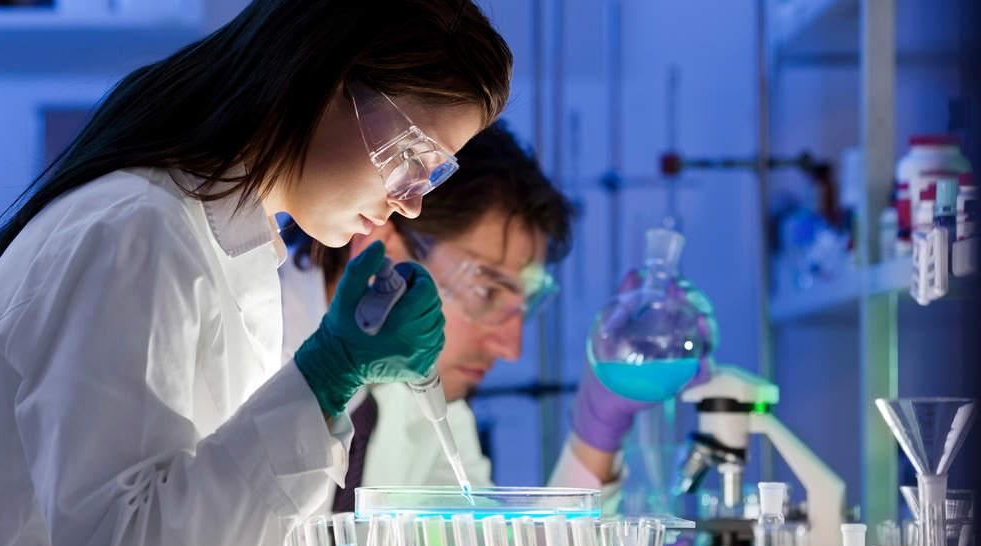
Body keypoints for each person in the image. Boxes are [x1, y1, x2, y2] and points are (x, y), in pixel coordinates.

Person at [0, 0, 513, 546]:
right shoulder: (137, 232)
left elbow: (212, 533)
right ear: (325, 76)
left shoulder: (228, 245)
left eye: (431, 173)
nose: (411, 202)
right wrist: (327, 377)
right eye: (411, 156)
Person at [279, 122, 718, 522]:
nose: (511, 349)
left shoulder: (426, 405)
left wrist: (596, 432)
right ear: (381, 251)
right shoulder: (248, 341)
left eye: (524, 306)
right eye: (488, 291)